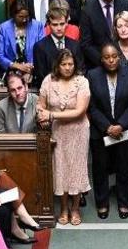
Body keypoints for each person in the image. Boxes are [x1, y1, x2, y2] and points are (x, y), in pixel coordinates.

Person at [38, 49, 91, 226]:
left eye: (70, 64)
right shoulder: (48, 80)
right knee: (60, 169)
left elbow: (79, 111)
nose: (67, 68)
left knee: (76, 169)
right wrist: (41, 114)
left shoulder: (82, 82)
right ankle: (63, 208)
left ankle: (75, 208)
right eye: (64, 64)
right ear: (57, 65)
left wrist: (51, 115)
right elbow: (41, 105)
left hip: (78, 131)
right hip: (58, 132)